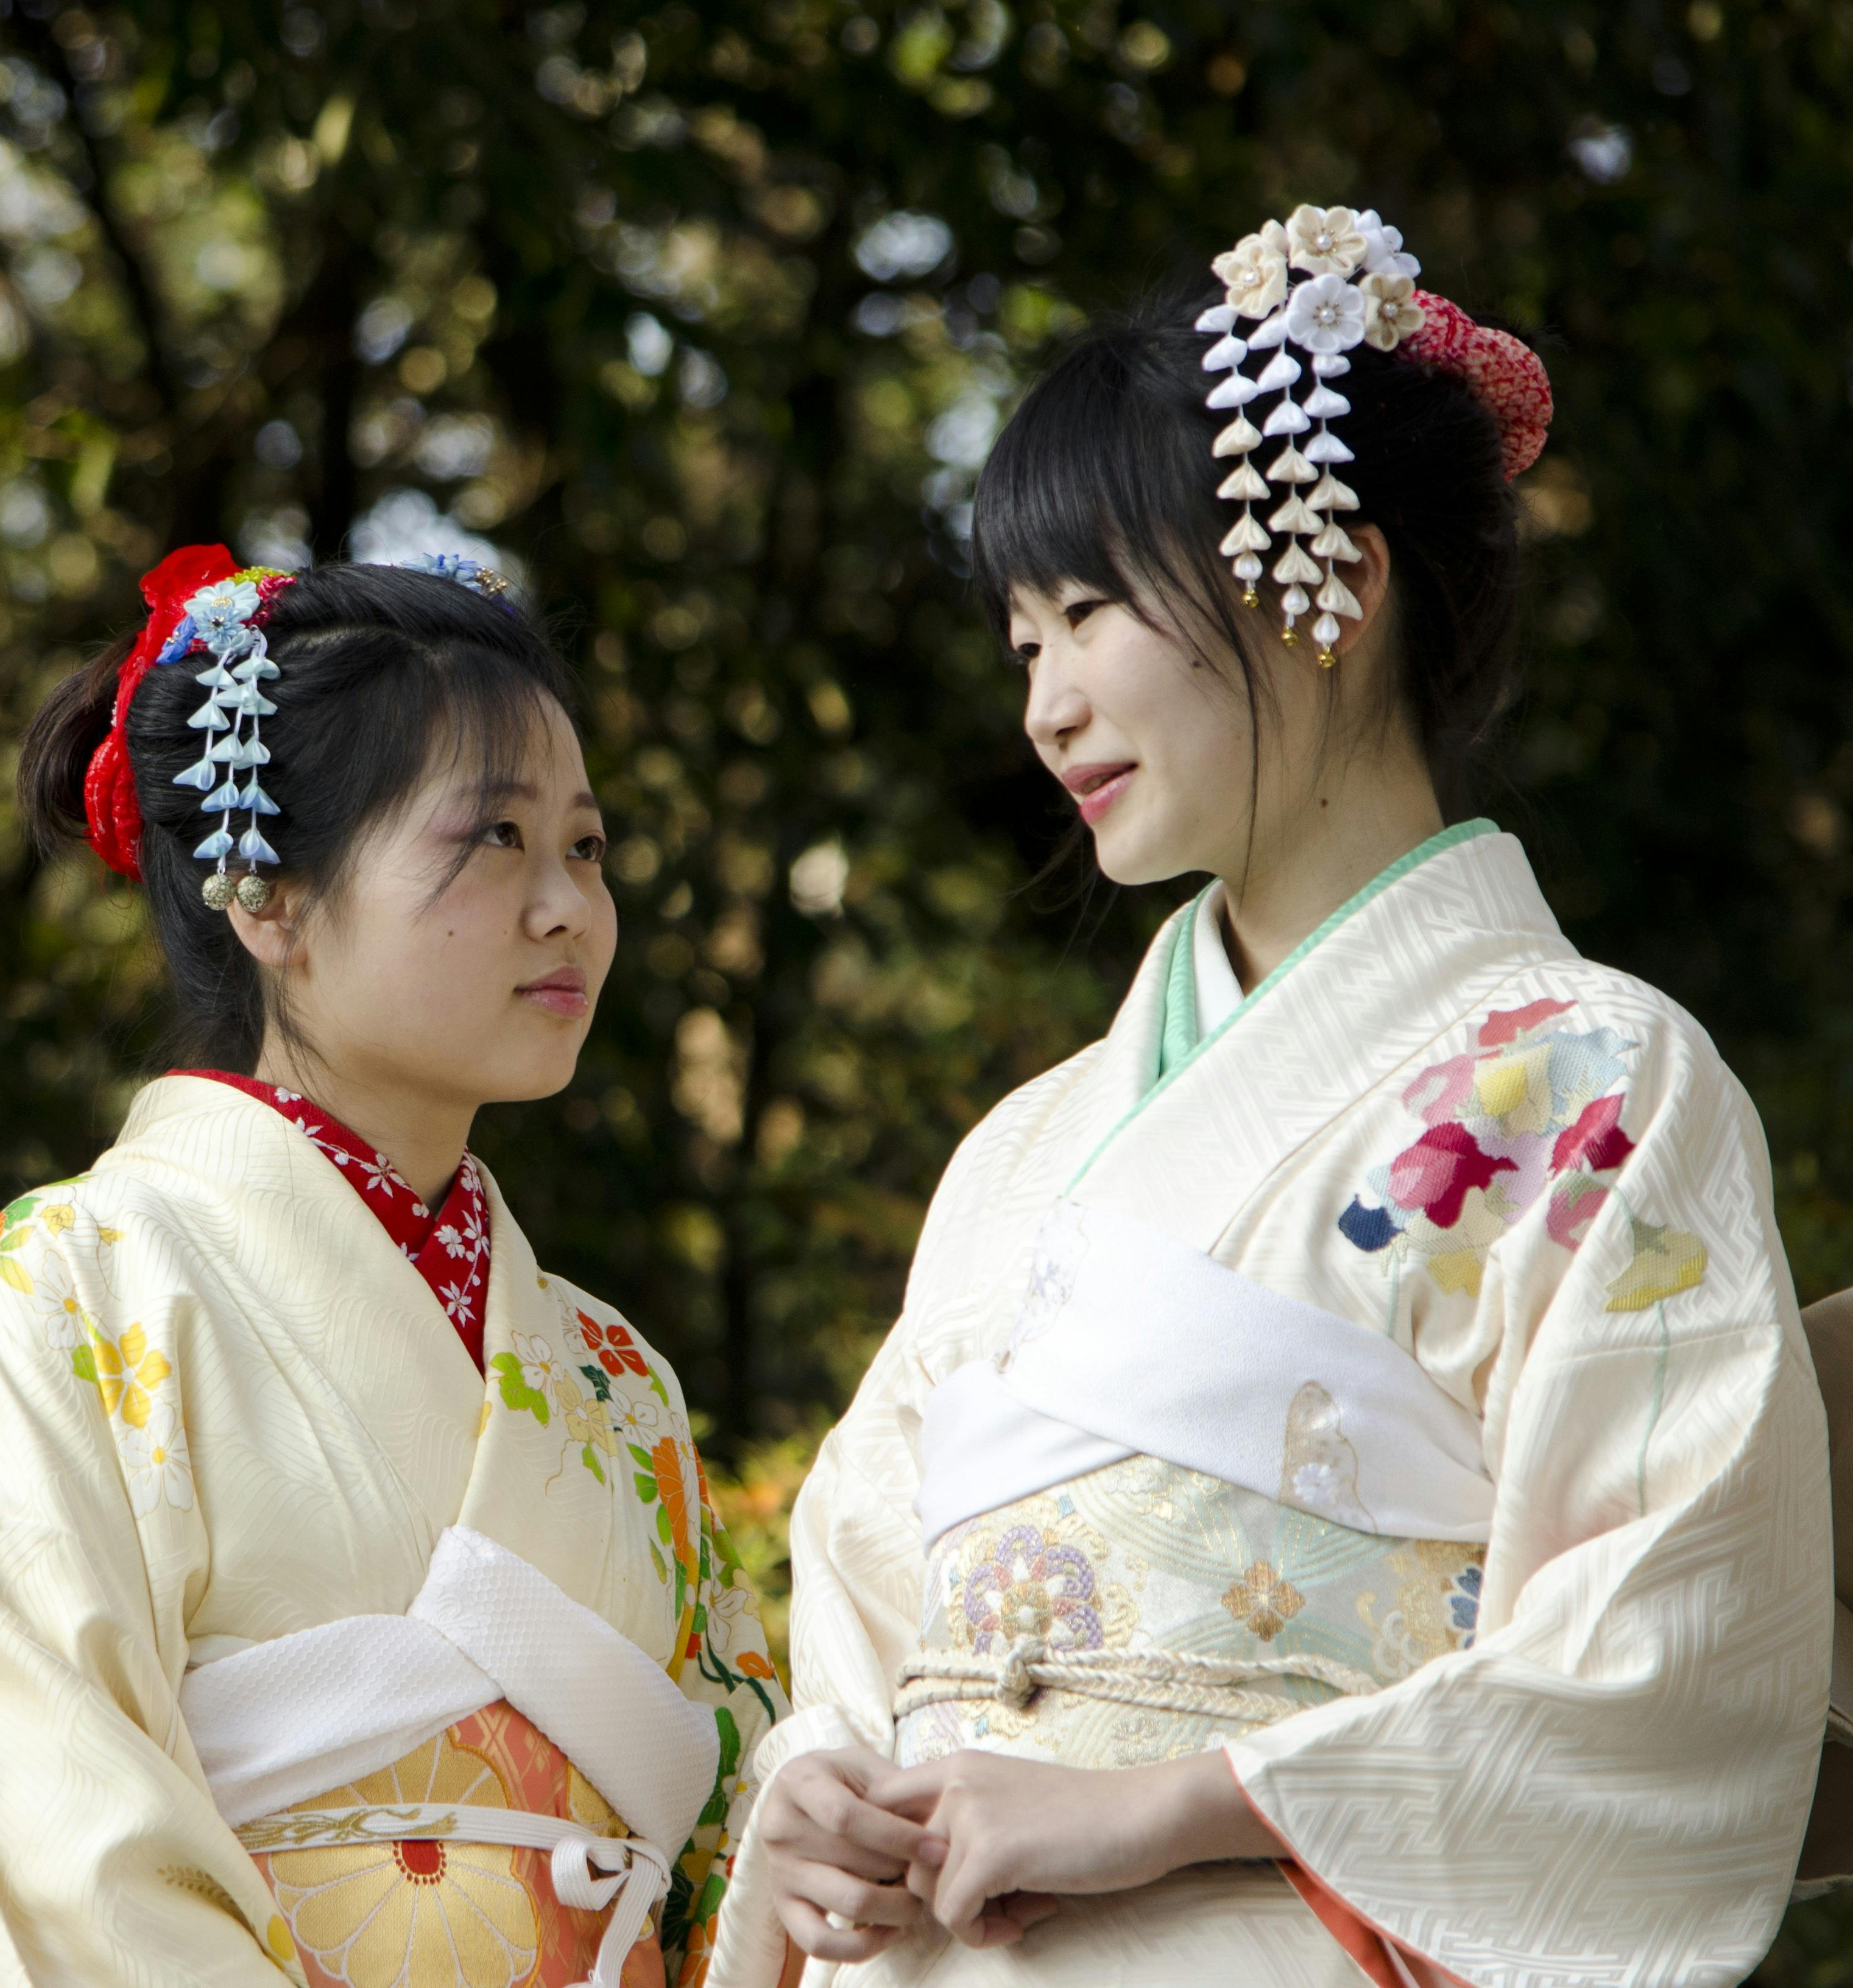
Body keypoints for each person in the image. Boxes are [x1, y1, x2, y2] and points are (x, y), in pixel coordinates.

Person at [702, 210, 1833, 1986]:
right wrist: (816, 1805)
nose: (1049, 706)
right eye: (1020, 645)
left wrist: (1177, 1800)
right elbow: (860, 1626)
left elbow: (1675, 1662)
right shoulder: (1016, 1159)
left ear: (1334, 584)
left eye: (1087, 614)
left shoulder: (1597, 1082)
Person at [0, 549, 786, 1986]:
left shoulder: (613, 1376)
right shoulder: (72, 1289)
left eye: (586, 848)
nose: (567, 908)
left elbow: (737, 1843)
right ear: (267, 901)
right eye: (493, 840)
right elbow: (40, 1818)